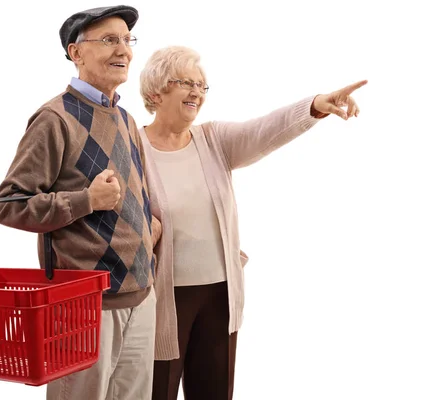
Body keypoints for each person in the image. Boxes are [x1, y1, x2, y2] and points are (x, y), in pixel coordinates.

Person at [138, 45, 367, 400]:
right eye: (187, 82)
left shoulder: (214, 139)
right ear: (156, 90)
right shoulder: (133, 146)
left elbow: (265, 130)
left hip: (219, 295)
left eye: (202, 85)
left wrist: (315, 105)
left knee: (215, 392)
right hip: (162, 298)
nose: (197, 91)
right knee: (156, 392)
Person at [0, 6, 162, 400]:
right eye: (108, 40)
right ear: (76, 52)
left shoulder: (125, 118)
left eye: (126, 39)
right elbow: (10, 205)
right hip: (83, 308)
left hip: (141, 294)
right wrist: (87, 200)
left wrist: (148, 227)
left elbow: (136, 193)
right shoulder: (54, 118)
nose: (123, 49)